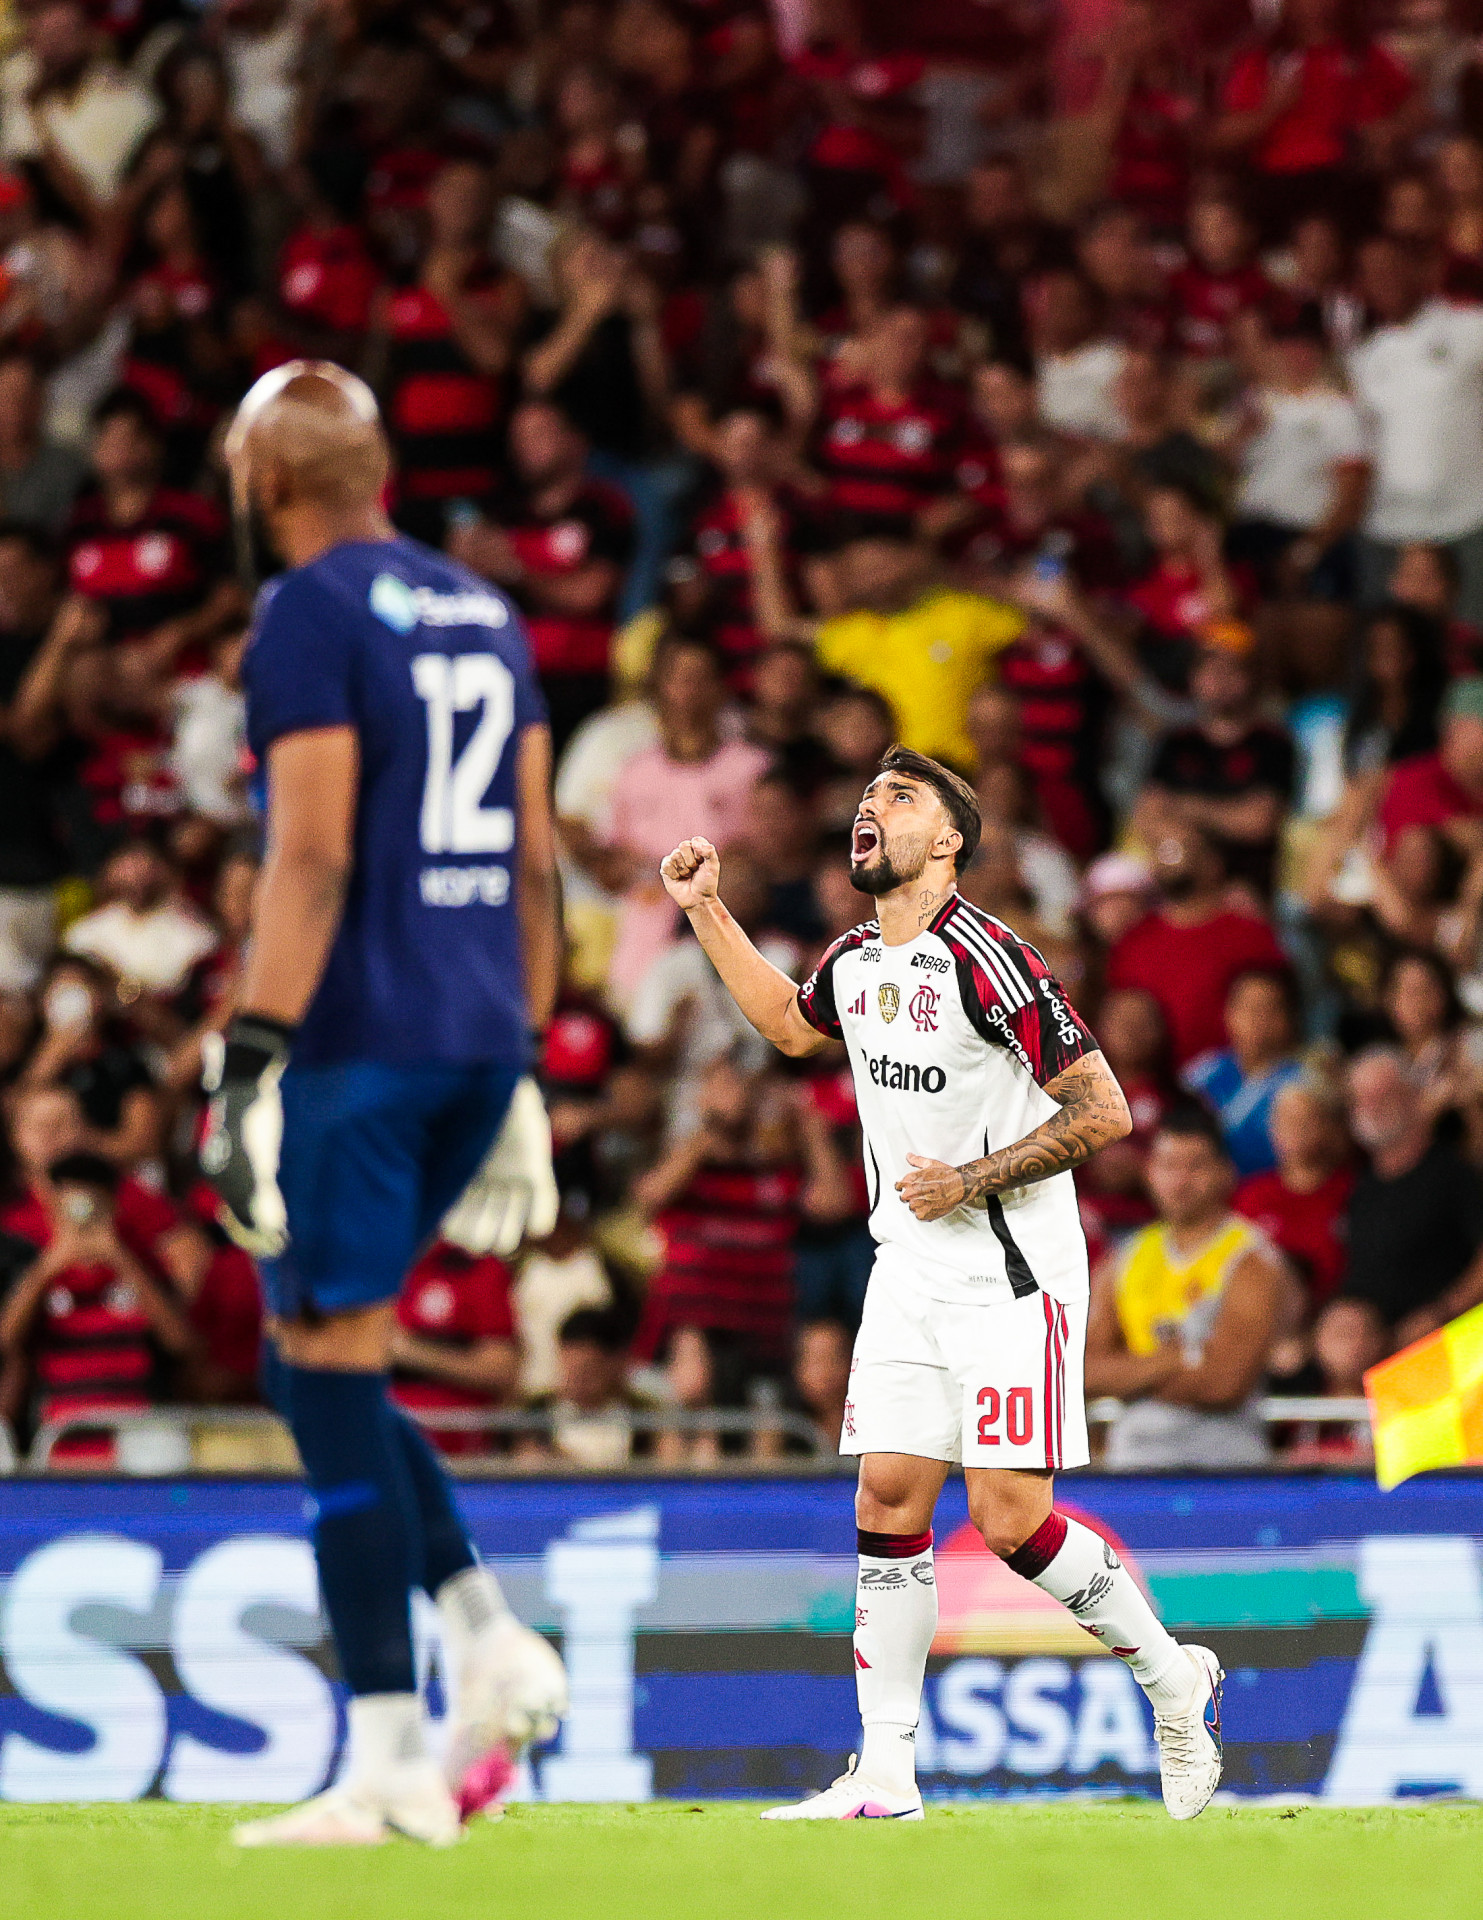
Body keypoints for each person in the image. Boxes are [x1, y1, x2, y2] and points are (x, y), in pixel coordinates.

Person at [659, 745, 1224, 1823]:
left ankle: (1171, 1677)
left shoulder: (990, 960)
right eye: (867, 794)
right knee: (885, 1496)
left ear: (948, 840)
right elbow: (787, 1025)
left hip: (1012, 1278)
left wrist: (971, 1178)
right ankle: (884, 1773)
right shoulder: (854, 959)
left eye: (900, 796)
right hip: (906, 1271)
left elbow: (1104, 1110)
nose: (869, 807)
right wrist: (706, 909)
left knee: (1010, 1523)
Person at [198, 362, 566, 1847]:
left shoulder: (305, 612)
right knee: (312, 1367)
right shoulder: (485, 609)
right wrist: (522, 1057)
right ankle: (484, 1633)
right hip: (475, 1037)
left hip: (359, 1043)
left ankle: (388, 1763)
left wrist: (248, 1058)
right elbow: (534, 861)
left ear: (269, 481)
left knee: (328, 1369)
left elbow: (312, 857)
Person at [1085, 1107, 1287, 1468]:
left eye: (1195, 1166)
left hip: (1225, 1468)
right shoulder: (1125, 1259)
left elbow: (1224, 1384)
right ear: (1150, 1172)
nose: (1180, 1181)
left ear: (1225, 1172)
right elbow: (1084, 1373)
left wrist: (1128, 1377)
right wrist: (1176, 1358)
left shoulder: (1251, 1259)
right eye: (1169, 1165)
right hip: (1131, 1466)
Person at [1315, 1047, 1483, 1394]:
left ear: (1413, 1096)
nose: (1371, 1107)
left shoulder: (1454, 1175)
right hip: (1367, 1355)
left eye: (1384, 1094)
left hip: (1434, 1357)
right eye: (1361, 1098)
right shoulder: (1361, 1187)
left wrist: (1441, 1313)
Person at [1183, 968, 1306, 1178]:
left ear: (1288, 1018)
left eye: (1268, 1009)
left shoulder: (1303, 1082)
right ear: (1228, 1014)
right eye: (1248, 1007)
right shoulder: (1203, 1072)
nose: (1257, 1019)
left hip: (1268, 1188)